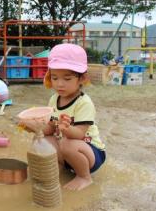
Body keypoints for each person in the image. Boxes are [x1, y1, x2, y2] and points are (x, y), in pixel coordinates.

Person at [19, 44, 106, 191]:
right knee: (41, 140)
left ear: (81, 78)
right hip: (68, 150)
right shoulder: (54, 99)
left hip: (90, 152)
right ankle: (56, 167)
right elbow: (49, 129)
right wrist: (33, 127)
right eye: (54, 77)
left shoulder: (84, 103)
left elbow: (79, 134)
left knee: (67, 143)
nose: (59, 84)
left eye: (67, 78)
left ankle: (84, 177)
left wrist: (65, 128)